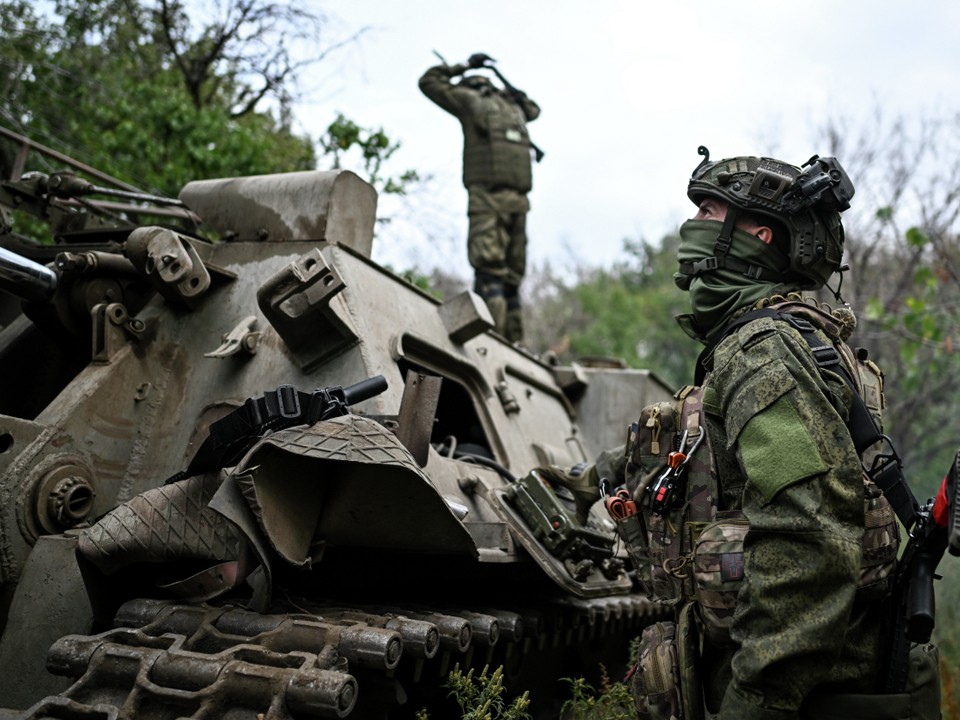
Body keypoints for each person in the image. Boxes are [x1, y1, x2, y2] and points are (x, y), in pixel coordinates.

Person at [554, 149, 941, 719]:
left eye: (709, 212)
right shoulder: (792, 340)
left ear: (759, 235)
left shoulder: (764, 353)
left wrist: (755, 701)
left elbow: (808, 543)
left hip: (804, 700)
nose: (692, 227)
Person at [419, 54, 540, 343]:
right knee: (492, 274)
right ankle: (491, 343)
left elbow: (534, 109)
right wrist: (466, 66)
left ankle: (511, 344)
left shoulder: (507, 106)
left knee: (509, 278)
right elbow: (428, 83)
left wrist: (487, 75)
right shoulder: (472, 100)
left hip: (516, 200)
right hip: (488, 197)